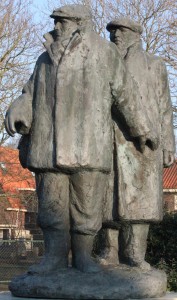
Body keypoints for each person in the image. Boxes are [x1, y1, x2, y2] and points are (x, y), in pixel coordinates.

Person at [5, 7, 157, 274]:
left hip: (87, 146)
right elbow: (30, 91)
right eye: (56, 22)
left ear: (80, 24)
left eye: (62, 22)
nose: (57, 26)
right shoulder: (44, 58)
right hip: (48, 145)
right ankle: (54, 258)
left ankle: (84, 257)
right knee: (52, 209)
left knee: (86, 209)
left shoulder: (103, 53)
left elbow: (125, 93)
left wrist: (141, 128)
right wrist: (19, 107)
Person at [100, 17, 175, 269]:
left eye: (120, 31)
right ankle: (108, 253)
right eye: (112, 31)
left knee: (139, 202)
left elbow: (165, 108)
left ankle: (135, 255)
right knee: (106, 201)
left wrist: (168, 146)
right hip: (107, 140)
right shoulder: (103, 64)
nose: (115, 36)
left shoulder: (154, 65)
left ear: (135, 33)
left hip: (143, 145)